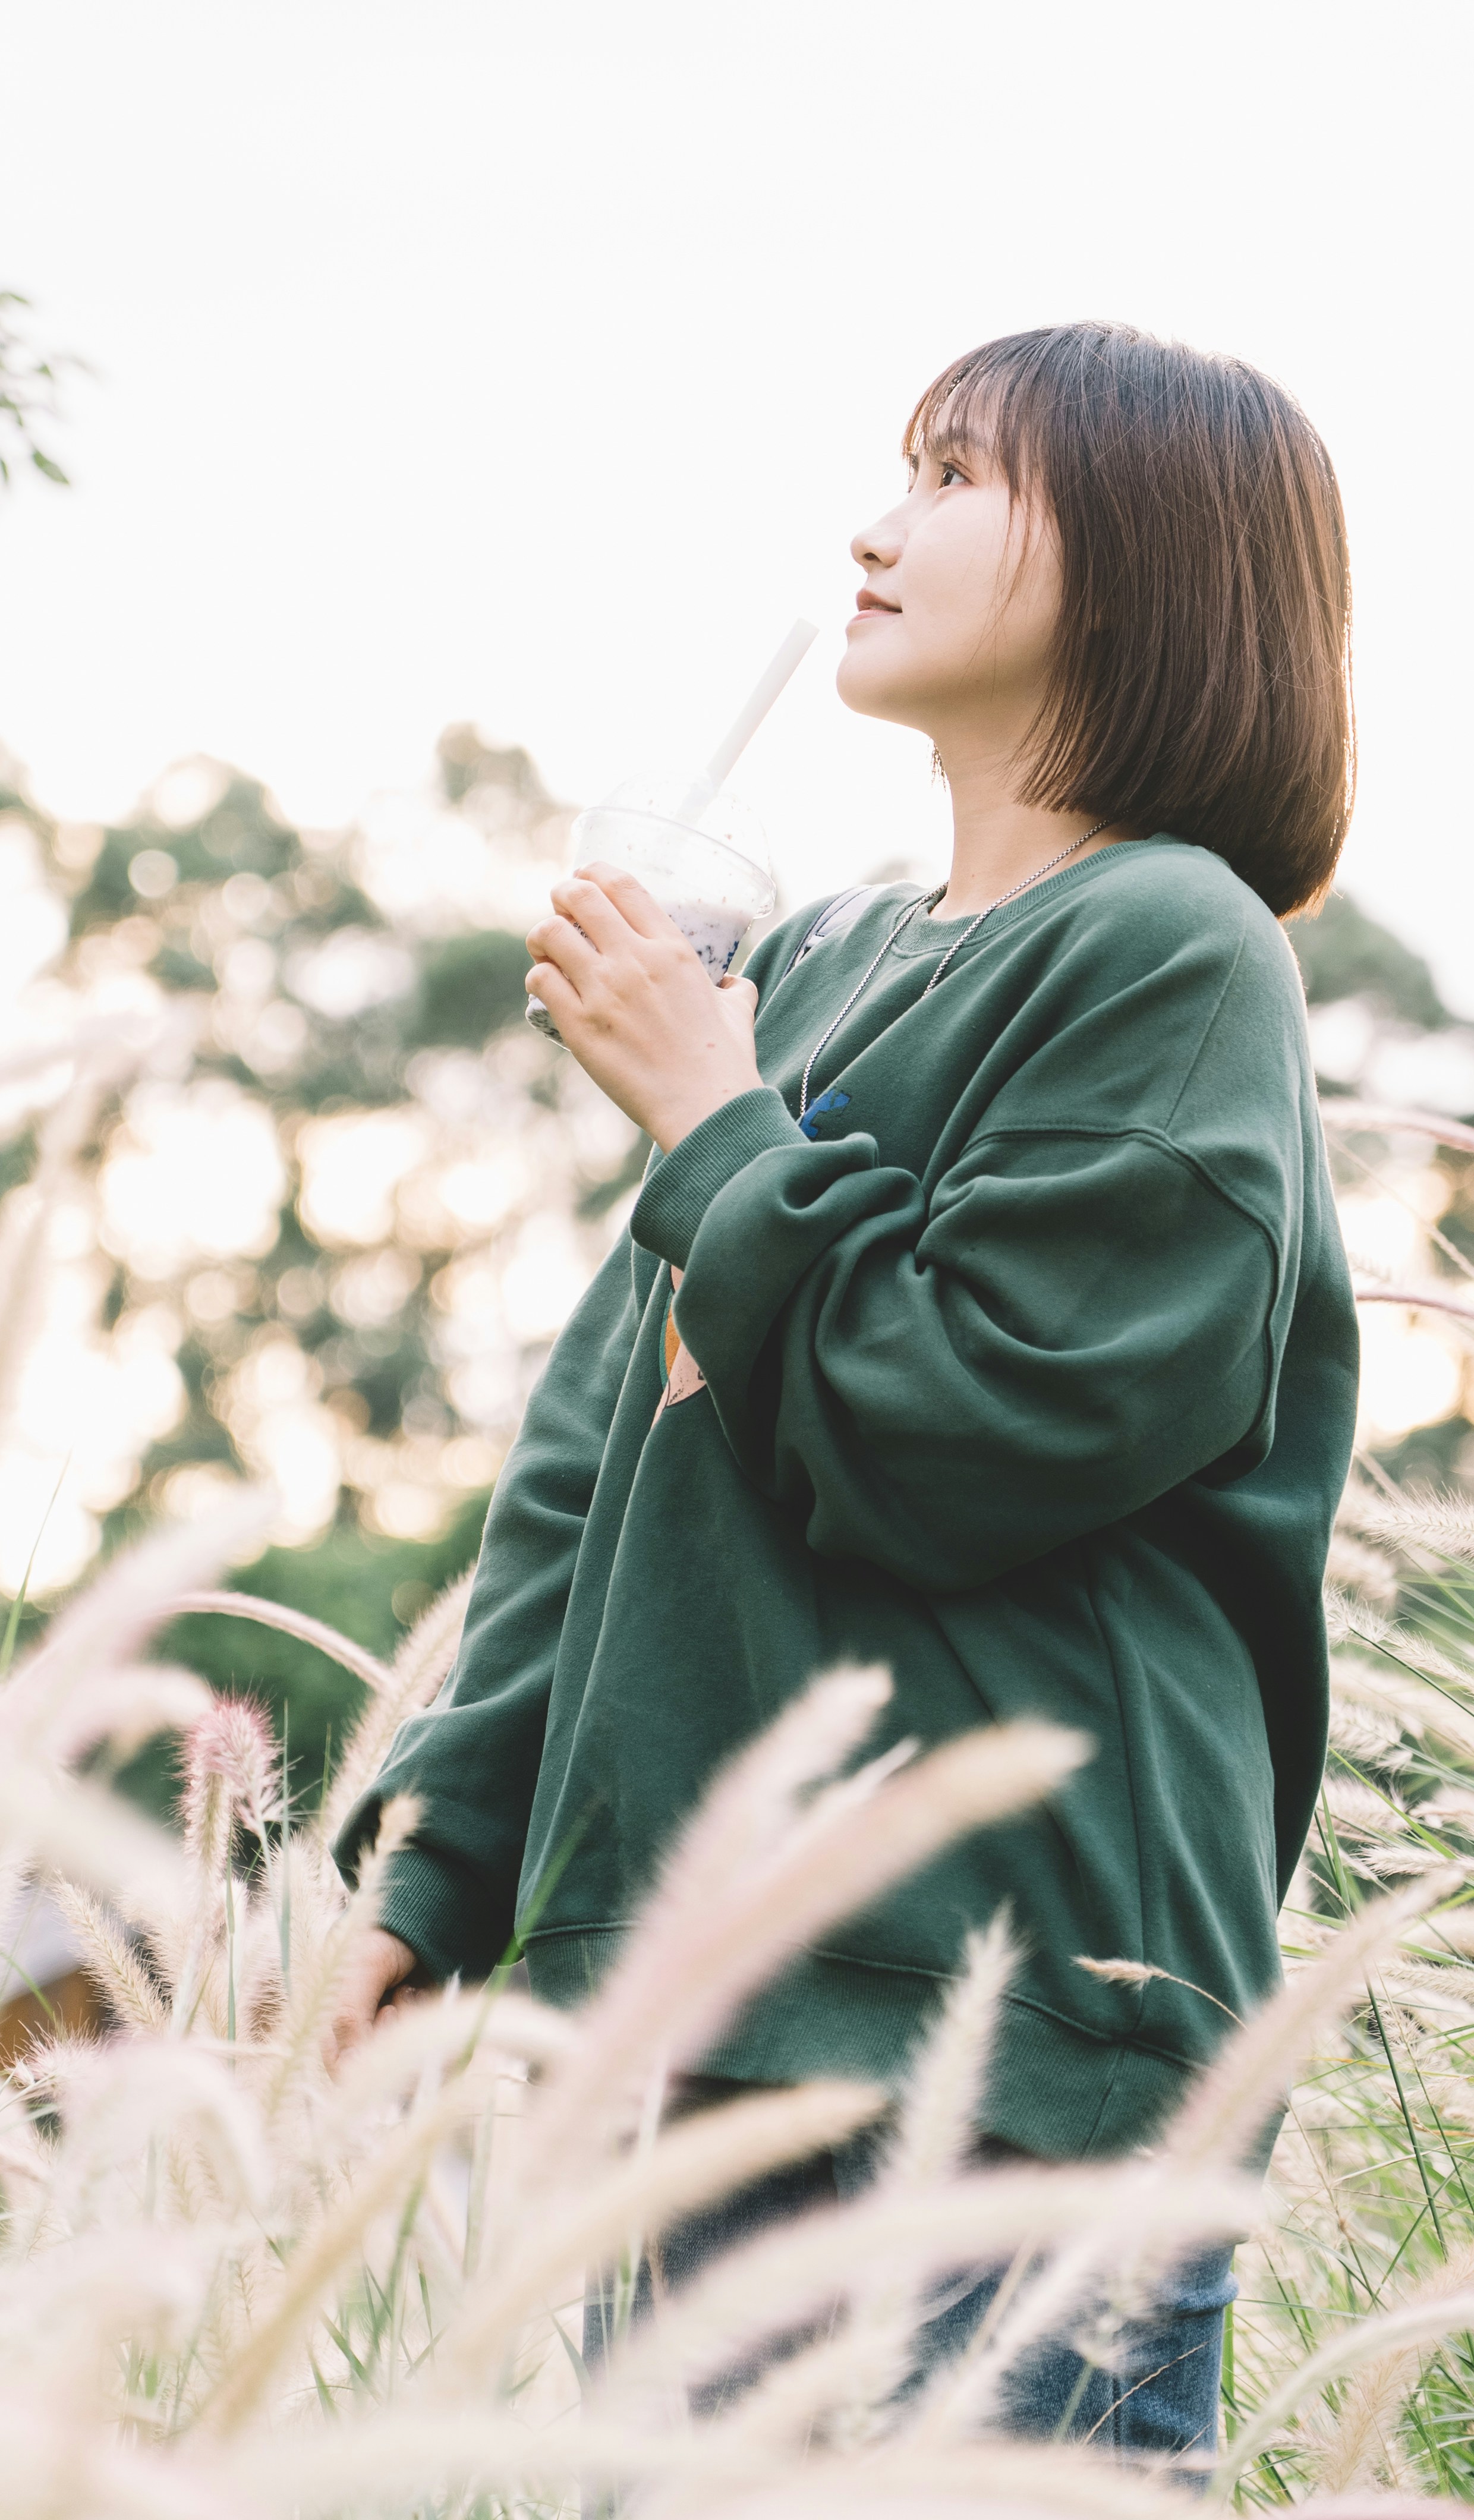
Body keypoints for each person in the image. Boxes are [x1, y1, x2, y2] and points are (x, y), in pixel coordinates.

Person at [330, 321, 1360, 2462]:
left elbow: (985, 1434)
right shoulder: (806, 974)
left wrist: (717, 1134)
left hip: (1010, 2047)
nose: (878, 527)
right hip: (711, 2035)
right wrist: (435, 1859)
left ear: (1155, 563)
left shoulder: (1175, 947)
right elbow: (596, 1479)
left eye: (961, 476)